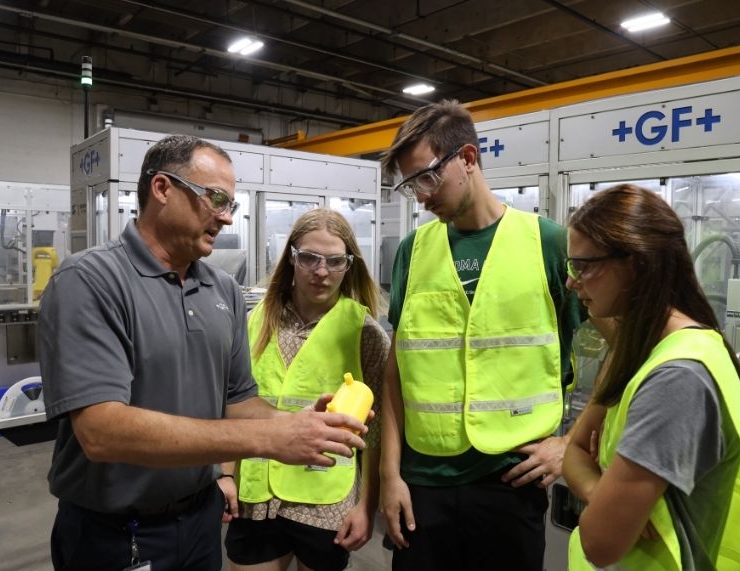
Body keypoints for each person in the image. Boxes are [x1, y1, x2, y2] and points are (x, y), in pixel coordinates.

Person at [39, 135, 369, 571]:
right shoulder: (90, 281)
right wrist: (270, 439)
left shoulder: (222, 291)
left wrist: (297, 425)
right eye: (215, 198)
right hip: (115, 533)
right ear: (162, 189)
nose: (227, 217)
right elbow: (102, 431)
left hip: (200, 521)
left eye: (231, 203)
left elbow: (237, 402)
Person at [378, 99, 584, 570]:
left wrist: (570, 443)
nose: (421, 197)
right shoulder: (414, 250)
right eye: (410, 186)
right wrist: (391, 474)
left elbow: (624, 347)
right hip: (423, 482)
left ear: (467, 159)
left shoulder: (549, 242)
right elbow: (397, 370)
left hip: (510, 482)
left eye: (426, 178)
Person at [562, 184, 740, 570]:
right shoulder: (640, 349)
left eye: (585, 266)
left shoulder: (678, 378)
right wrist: (599, 490)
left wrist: (598, 493)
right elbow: (574, 452)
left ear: (636, 264)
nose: (572, 283)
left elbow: (599, 542)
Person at [223, 208, 390, 571]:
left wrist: (365, 505)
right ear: (291, 258)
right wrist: (225, 473)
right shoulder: (256, 322)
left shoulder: (365, 333)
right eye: (310, 258)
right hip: (258, 494)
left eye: (334, 261)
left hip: (325, 499)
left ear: (349, 266)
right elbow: (233, 405)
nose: (320, 271)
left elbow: (375, 432)